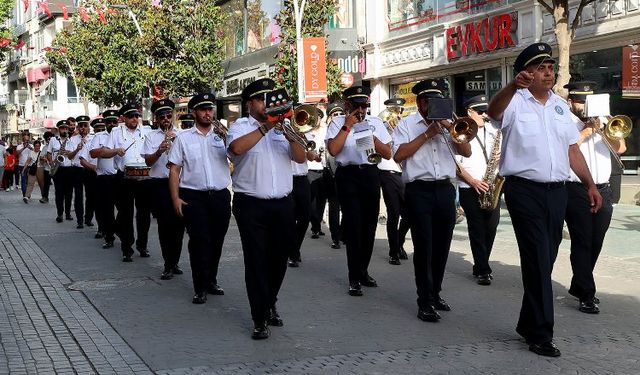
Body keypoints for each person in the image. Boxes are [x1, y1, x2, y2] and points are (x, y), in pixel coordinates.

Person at [487, 43, 603, 357]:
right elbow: (493, 112)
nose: (548, 72)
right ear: (525, 73)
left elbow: (572, 149)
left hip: (558, 192)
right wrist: (512, 86)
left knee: (545, 261)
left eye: (550, 66)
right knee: (538, 258)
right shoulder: (514, 101)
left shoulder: (560, 106)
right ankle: (541, 334)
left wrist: (590, 184)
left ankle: (527, 323)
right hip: (524, 190)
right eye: (541, 67)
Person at [227, 78, 307, 339]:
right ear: (249, 103)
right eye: (261, 99)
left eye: (269, 99)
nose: (266, 104)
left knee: (279, 260)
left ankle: (269, 300)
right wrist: (265, 127)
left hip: (283, 203)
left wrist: (289, 130)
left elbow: (300, 157)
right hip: (251, 204)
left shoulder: (283, 128)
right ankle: (259, 317)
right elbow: (236, 149)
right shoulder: (240, 126)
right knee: (256, 261)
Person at [393, 79, 471, 323]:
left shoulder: (449, 125)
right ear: (419, 102)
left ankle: (435, 293)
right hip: (419, 191)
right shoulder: (406, 125)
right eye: (428, 101)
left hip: (445, 190)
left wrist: (452, 129)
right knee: (424, 247)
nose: (432, 106)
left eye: (437, 101)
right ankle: (424, 300)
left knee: (441, 247)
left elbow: (467, 152)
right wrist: (427, 134)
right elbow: (398, 155)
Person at [563, 81, 625, 314]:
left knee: (596, 240)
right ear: (571, 101)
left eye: (587, 100)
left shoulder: (604, 120)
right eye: (579, 100)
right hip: (576, 188)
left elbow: (620, 149)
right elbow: (564, 150)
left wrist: (604, 128)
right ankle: (587, 294)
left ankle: (580, 284)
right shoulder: (566, 121)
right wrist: (586, 131)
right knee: (582, 240)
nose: (584, 105)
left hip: (604, 188)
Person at [326, 86, 392, 297]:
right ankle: (354, 277)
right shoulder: (337, 122)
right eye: (356, 106)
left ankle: (363, 270)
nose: (361, 110)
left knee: (369, 226)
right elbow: (333, 150)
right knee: (354, 226)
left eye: (364, 106)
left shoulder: (376, 123)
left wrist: (370, 135)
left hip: (370, 174)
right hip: (348, 176)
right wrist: (348, 126)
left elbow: (388, 154)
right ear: (348, 106)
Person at [456, 94, 502, 285]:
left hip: (492, 185)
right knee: (476, 228)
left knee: (491, 227)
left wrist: (502, 156)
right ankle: (483, 269)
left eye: (486, 111)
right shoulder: (460, 130)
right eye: (480, 111)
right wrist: (474, 182)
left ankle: (480, 264)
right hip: (469, 186)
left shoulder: (493, 130)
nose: (485, 115)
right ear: (469, 112)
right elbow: (456, 165)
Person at [103, 103, 152, 261]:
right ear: (123, 118)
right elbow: (105, 152)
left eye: (137, 116)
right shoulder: (116, 132)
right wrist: (116, 150)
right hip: (124, 177)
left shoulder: (146, 130)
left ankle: (142, 245)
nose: (134, 119)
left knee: (144, 214)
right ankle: (127, 248)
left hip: (144, 176)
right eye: (131, 116)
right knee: (126, 214)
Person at [143, 99, 185, 281]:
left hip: (180, 184)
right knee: (164, 226)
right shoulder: (151, 137)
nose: (166, 119)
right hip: (159, 185)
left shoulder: (183, 134)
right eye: (162, 116)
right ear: (156, 119)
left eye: (169, 115)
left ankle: (175, 261)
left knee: (179, 226)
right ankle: (168, 264)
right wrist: (159, 151)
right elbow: (148, 162)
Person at [378, 97, 411, 265]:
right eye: (394, 110)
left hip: (405, 173)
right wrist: (389, 130)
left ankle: (399, 242)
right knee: (394, 214)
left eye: (400, 110)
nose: (397, 114)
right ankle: (393, 251)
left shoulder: (406, 127)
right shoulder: (382, 128)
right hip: (389, 173)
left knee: (410, 214)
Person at [309, 102, 343, 249]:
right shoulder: (325, 131)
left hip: (342, 172)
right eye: (334, 115)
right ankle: (321, 229)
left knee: (339, 206)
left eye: (340, 114)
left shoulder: (344, 130)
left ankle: (340, 235)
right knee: (323, 203)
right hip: (325, 171)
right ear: (329, 118)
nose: (337, 117)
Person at [89, 111, 120, 247]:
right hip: (104, 178)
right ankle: (109, 237)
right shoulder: (99, 136)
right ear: (105, 123)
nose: (112, 124)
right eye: (109, 122)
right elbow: (92, 153)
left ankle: (118, 230)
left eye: (114, 121)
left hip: (120, 177)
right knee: (107, 210)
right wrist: (103, 150)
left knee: (124, 209)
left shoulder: (121, 134)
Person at [47, 120, 75, 223]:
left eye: (66, 128)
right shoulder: (53, 140)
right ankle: (59, 214)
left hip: (69, 169)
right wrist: (51, 163)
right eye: (63, 128)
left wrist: (67, 152)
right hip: (58, 169)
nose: (65, 130)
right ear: (59, 129)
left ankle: (67, 213)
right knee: (59, 192)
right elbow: (49, 153)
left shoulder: (70, 140)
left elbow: (73, 154)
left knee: (69, 193)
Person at [70, 115, 92, 229]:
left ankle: (88, 218)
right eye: (81, 126)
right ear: (78, 127)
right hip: (77, 169)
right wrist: (77, 149)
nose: (83, 128)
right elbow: (69, 156)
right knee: (78, 195)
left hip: (89, 169)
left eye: (85, 125)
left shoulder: (93, 138)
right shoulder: (73, 139)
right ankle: (80, 220)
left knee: (90, 195)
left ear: (88, 126)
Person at [37, 132, 54, 203]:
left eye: (50, 138)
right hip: (47, 168)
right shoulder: (45, 147)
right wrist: (44, 158)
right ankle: (45, 197)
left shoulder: (56, 146)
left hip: (57, 168)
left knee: (59, 184)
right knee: (46, 184)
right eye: (47, 139)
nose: (49, 140)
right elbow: (41, 157)